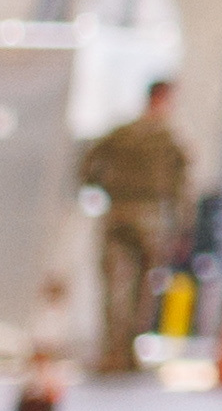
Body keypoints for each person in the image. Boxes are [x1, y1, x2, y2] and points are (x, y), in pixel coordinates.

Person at [73, 78, 196, 378]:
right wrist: (183, 228)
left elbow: (87, 165)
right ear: (165, 99)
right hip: (152, 218)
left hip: (118, 212)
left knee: (115, 284)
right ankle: (128, 353)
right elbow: (183, 188)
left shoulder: (120, 133)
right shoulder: (169, 140)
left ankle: (113, 352)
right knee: (144, 288)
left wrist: (99, 189)